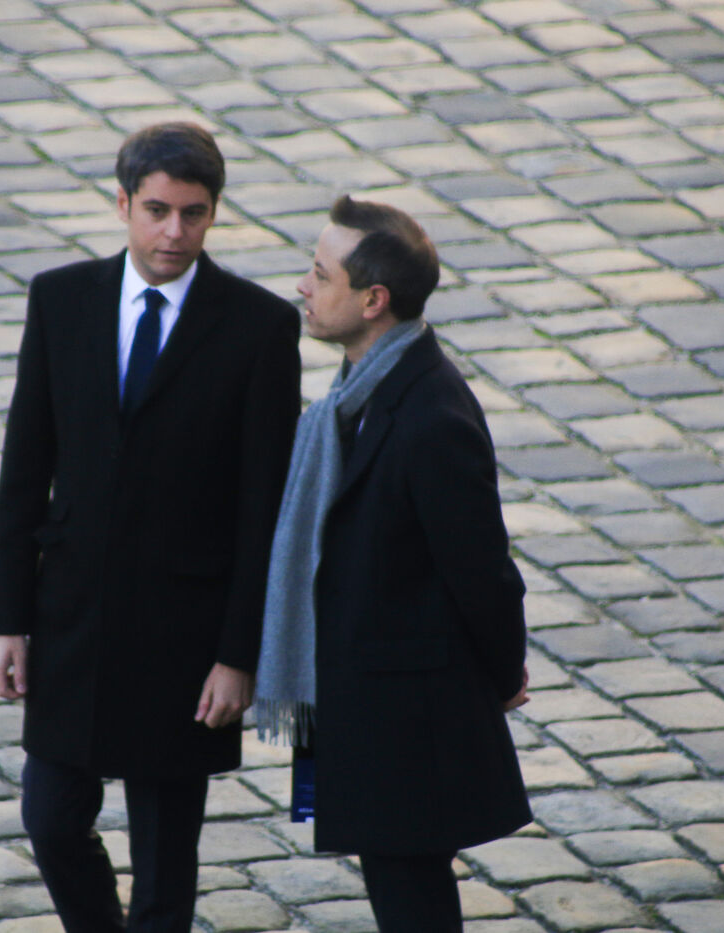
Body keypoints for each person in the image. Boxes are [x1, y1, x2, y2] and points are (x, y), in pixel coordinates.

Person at [0, 122, 302, 933]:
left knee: (165, 863)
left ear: (214, 213)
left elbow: (264, 509)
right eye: (157, 211)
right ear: (123, 204)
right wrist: (8, 620)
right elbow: (24, 469)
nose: (174, 233)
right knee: (52, 820)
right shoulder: (61, 300)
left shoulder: (259, 327)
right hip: (74, 620)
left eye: (194, 214)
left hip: (184, 638)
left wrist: (239, 655)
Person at [255, 195, 531, 932]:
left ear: (374, 300)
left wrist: (503, 674)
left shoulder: (429, 416)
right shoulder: (358, 392)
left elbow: (483, 571)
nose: (304, 286)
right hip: (367, 703)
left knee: (411, 895)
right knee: (398, 883)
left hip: (407, 715)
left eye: (322, 275)